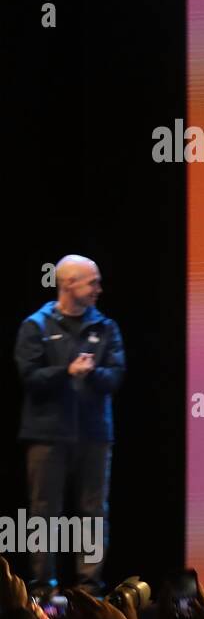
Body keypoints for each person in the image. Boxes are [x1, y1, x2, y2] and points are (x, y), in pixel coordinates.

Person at [14, 255, 125, 596]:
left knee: (94, 511)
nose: (99, 289)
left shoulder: (105, 327)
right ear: (68, 284)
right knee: (44, 511)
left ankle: (89, 588)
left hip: (94, 434)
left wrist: (93, 373)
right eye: (92, 282)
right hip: (47, 434)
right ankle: (43, 587)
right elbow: (29, 376)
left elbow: (116, 375)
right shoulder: (36, 325)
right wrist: (67, 373)